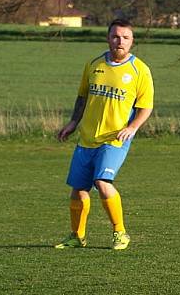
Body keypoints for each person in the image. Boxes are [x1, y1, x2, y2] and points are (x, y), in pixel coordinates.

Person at [55, 19, 154, 251]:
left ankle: (120, 233)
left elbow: (146, 106)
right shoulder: (93, 65)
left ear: (132, 41)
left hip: (115, 139)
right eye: (116, 37)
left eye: (125, 38)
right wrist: (72, 122)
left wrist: (132, 127)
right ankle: (77, 236)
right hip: (87, 138)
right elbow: (82, 97)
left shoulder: (140, 70)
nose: (120, 41)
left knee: (102, 181)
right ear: (108, 38)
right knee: (79, 190)